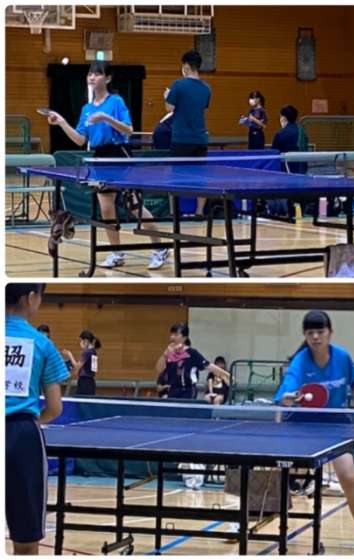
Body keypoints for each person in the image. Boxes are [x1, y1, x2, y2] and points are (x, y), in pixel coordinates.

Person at [45, 61, 169, 270]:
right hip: (100, 157)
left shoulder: (116, 101)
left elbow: (128, 130)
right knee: (106, 209)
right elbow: (80, 140)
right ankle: (116, 253)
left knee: (134, 206)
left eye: (97, 74)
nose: (92, 77)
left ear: (108, 78)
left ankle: (160, 248)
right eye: (90, 74)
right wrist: (62, 122)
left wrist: (106, 117)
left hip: (119, 155)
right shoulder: (86, 109)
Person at [273, 310, 354, 555]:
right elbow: (287, 391)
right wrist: (288, 398)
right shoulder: (300, 361)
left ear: (330, 332)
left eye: (320, 332)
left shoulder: (342, 356)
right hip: (304, 425)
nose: (316, 337)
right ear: (305, 335)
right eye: (311, 332)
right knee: (276, 472)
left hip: (335, 424)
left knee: (348, 476)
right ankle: (248, 519)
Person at [6, 284, 69, 555]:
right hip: (21, 436)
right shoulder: (42, 343)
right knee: (26, 541)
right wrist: (36, 420)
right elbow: (54, 407)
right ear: (31, 297)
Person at [165, 50, 212, 216]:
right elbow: (202, 106)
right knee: (200, 176)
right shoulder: (207, 88)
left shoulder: (178, 85)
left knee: (175, 176)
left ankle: (174, 212)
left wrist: (167, 96)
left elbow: (169, 108)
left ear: (185, 65)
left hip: (181, 138)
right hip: (200, 138)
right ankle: (199, 212)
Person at [155, 323, 230, 399]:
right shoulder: (169, 352)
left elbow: (209, 366)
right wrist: (165, 354)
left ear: (184, 338)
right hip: (172, 390)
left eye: (176, 335)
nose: (172, 337)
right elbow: (159, 370)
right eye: (172, 334)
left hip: (188, 390)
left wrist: (226, 375)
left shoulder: (191, 353)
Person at [62, 330, 101, 395]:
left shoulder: (87, 352)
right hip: (90, 382)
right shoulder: (93, 352)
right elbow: (84, 369)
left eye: (81, 340)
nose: (80, 343)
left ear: (86, 340)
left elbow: (77, 366)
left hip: (85, 383)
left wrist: (69, 355)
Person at [271, 105, 308, 174]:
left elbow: (274, 154)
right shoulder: (303, 133)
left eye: (280, 117)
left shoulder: (280, 134)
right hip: (302, 171)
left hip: (285, 171)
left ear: (283, 118)